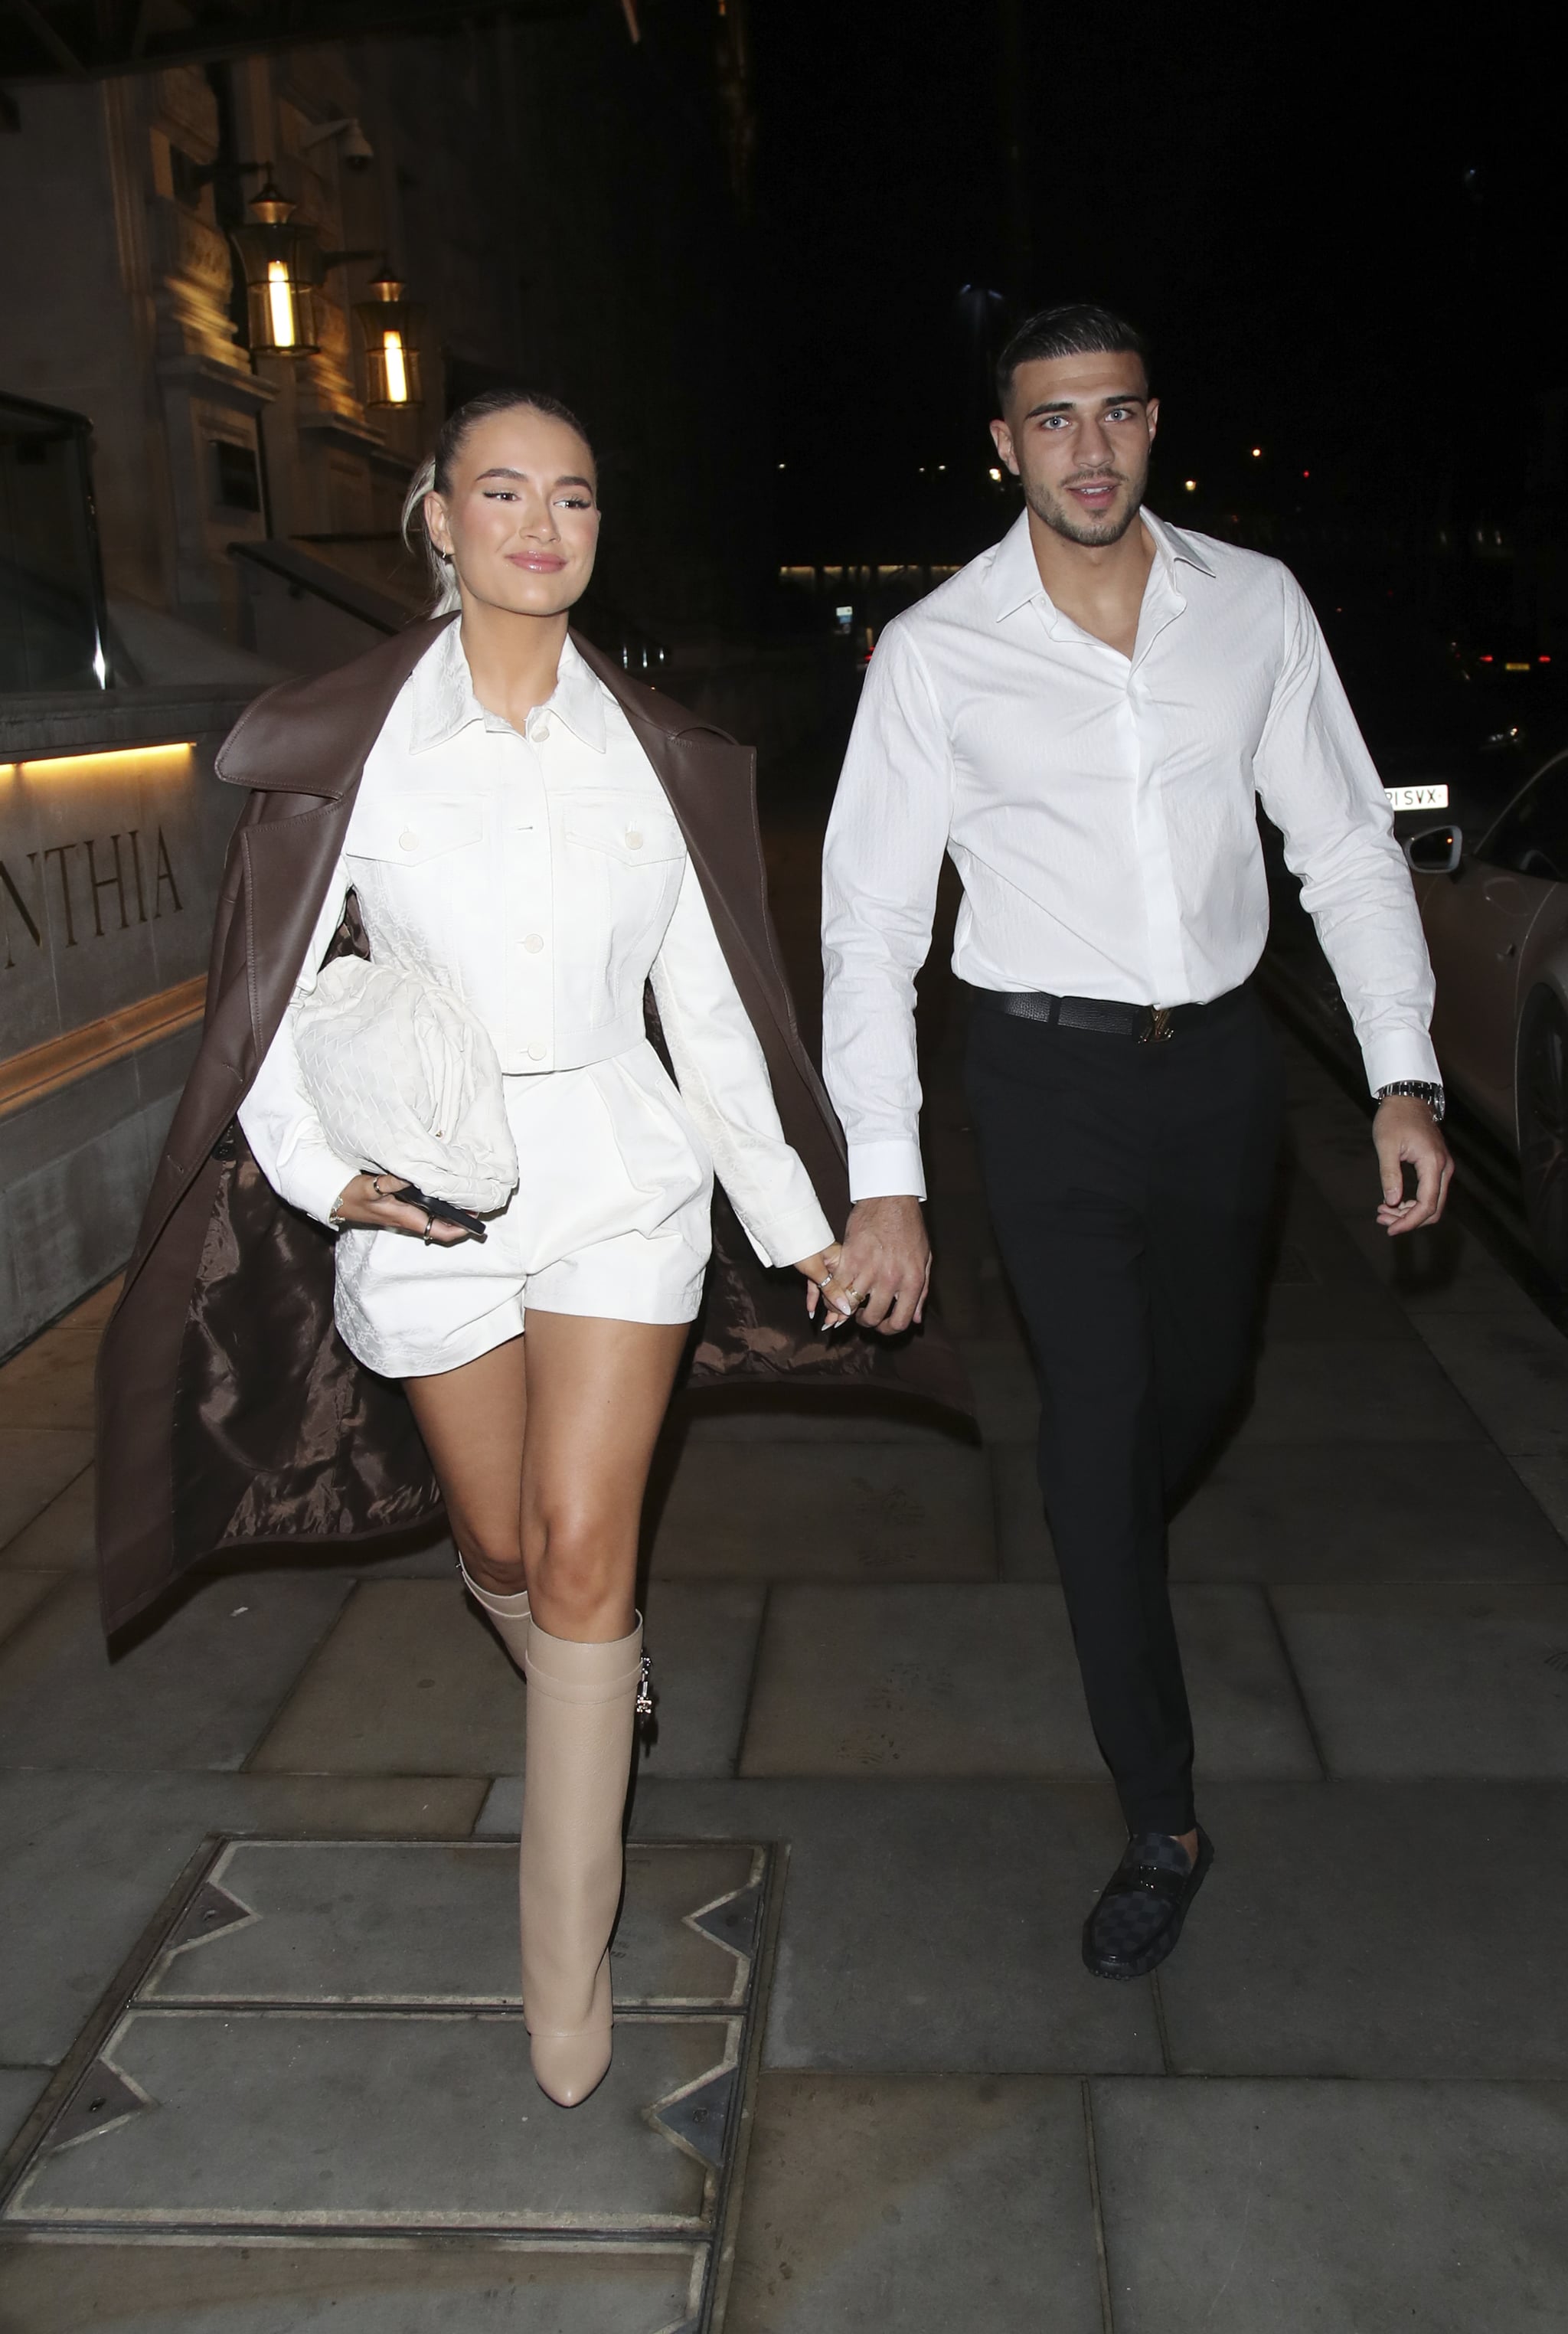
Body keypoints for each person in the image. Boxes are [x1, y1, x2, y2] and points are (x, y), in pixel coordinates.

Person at [96, 386, 962, 2109]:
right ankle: (581, 1661)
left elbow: (711, 1017)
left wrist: (801, 1227)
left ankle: (563, 1969)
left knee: (585, 1557)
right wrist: (319, 1173)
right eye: (504, 492)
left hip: (618, 1178)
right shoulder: (358, 743)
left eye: (573, 497)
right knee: (500, 1542)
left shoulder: (650, 752)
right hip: (431, 1188)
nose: (543, 525)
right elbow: (268, 991)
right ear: (437, 519)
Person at [819, 304, 1452, 1981]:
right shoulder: (939, 652)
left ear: (1152, 424)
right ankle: (1161, 1817)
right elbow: (870, 929)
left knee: (1205, 1385)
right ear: (1002, 446)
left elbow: (1345, 843)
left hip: (1225, 1073)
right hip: (1040, 1085)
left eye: (1112, 415)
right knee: (1100, 1425)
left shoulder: (1253, 607)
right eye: (1050, 421)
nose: (1085, 449)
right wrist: (885, 1183)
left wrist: (1401, 1073)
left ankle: (1104, 1522)